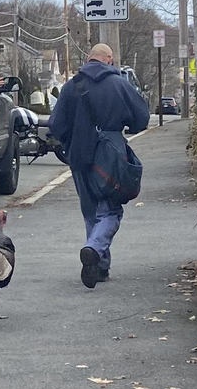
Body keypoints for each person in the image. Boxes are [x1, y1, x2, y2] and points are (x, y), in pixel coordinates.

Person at [48, 43, 150, 288]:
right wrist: (123, 129)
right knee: (112, 209)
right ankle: (93, 249)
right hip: (111, 154)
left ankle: (99, 267)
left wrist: (71, 142)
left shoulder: (71, 86)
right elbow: (142, 118)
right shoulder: (119, 84)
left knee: (91, 211)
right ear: (110, 60)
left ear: (88, 59)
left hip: (79, 156)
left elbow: (56, 125)